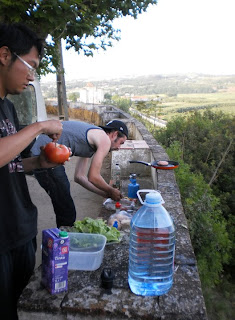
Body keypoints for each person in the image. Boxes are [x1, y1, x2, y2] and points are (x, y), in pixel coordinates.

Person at [0, 23, 64, 319]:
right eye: (31, 65)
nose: (32, 76)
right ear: (4, 55)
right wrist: (39, 126)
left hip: (21, 229)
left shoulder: (8, 108)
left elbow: (8, 163)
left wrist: (37, 164)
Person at [31, 119, 128, 228]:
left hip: (42, 153)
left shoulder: (93, 137)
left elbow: (79, 177)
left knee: (64, 203)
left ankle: (63, 238)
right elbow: (93, 176)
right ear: (115, 134)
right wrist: (110, 190)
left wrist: (104, 194)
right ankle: (64, 240)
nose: (119, 148)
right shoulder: (104, 140)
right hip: (45, 156)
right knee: (66, 208)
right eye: (121, 143)